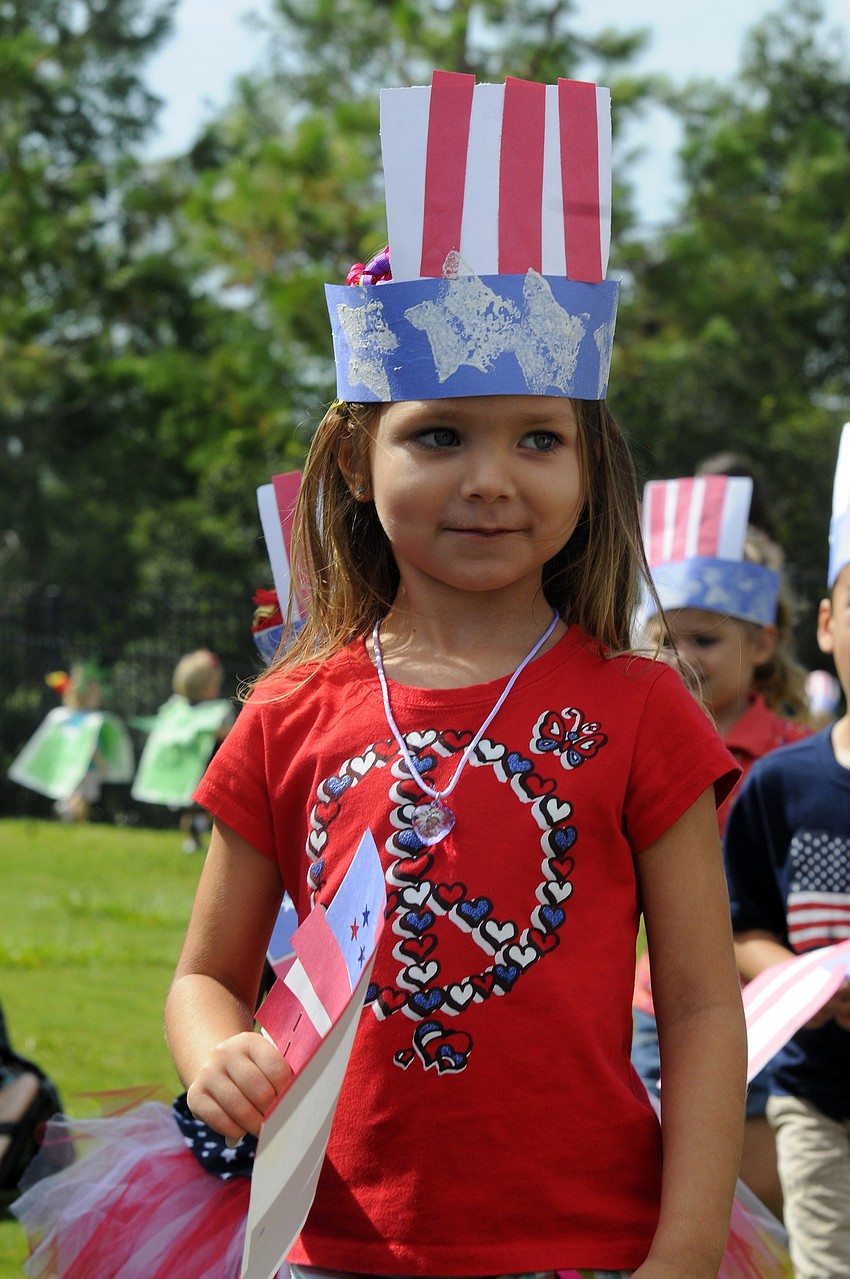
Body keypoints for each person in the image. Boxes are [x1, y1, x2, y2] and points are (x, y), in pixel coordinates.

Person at [12, 72, 749, 1279]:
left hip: (585, 1247)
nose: (491, 479)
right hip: (332, 1241)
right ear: (359, 456)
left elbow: (704, 1006)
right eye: (440, 434)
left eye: (539, 439)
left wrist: (678, 1248)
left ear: (588, 465)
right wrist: (214, 1049)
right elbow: (206, 973)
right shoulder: (290, 708)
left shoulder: (642, 707)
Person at [632, 475, 812, 1220]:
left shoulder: (795, 760)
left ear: (762, 641)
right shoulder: (632, 745)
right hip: (653, 1006)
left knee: (759, 1201)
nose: (680, 658)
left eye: (703, 639)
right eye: (661, 639)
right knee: (660, 1189)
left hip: (773, 1007)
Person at [723, 420, 850, 1279]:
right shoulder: (782, 783)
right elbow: (744, 926)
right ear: (829, 623)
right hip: (818, 1095)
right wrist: (820, 982)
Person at [131, 649, 234, 852]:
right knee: (211, 807)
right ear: (209, 686)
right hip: (206, 768)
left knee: (192, 808)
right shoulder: (214, 712)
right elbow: (229, 737)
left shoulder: (175, 710)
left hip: (187, 770)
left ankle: (193, 838)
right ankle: (200, 832)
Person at [8, 662, 134, 822]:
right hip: (88, 767)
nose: (99, 697)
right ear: (83, 696)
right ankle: (72, 815)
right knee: (85, 797)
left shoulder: (75, 718)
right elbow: (89, 747)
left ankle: (68, 812)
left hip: (75, 766)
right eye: (95, 694)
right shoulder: (89, 721)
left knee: (80, 794)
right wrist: (101, 762)